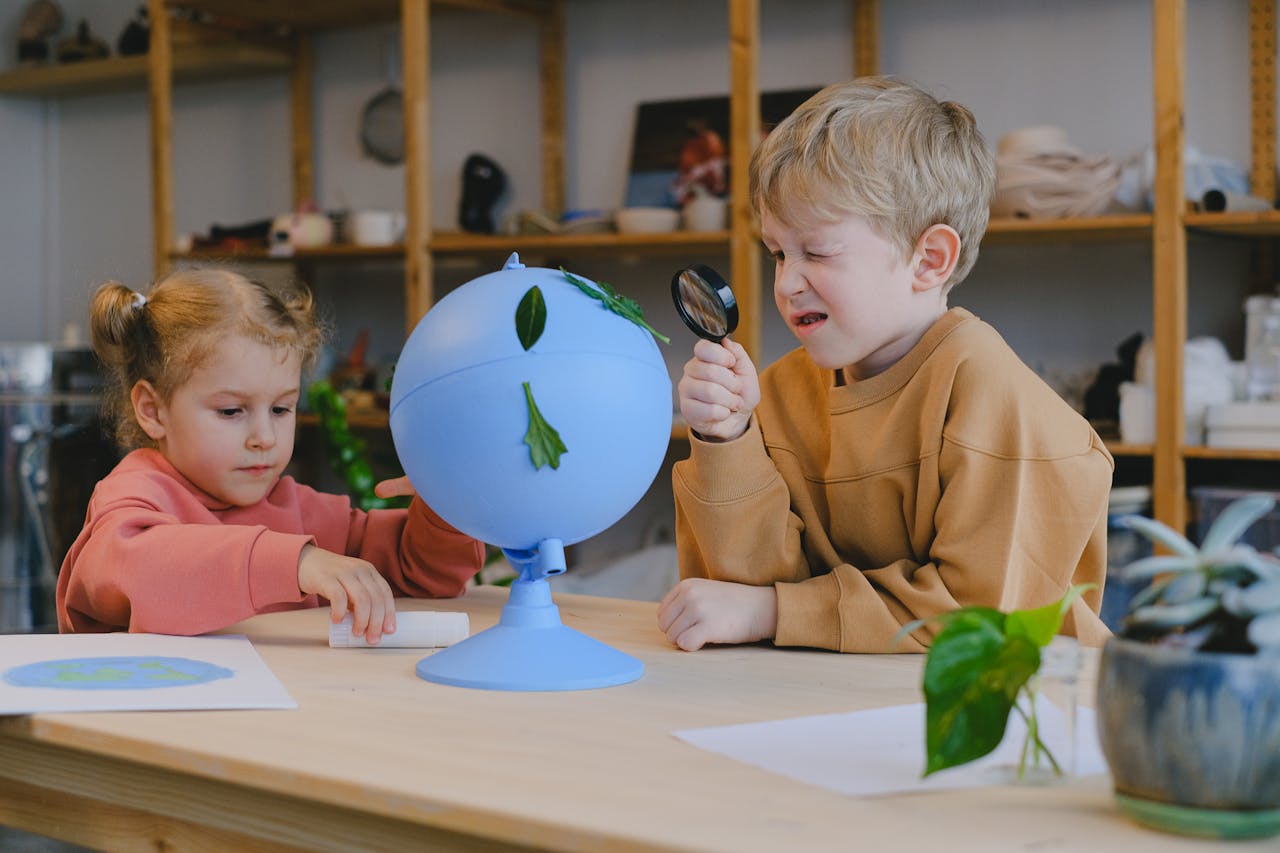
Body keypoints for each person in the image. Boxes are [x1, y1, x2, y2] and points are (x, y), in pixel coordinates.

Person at [657, 76, 1112, 653]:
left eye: (817, 251)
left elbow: (975, 622)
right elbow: (737, 598)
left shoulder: (1002, 408)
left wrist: (775, 610)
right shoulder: (774, 394)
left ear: (929, 260)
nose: (786, 282)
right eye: (777, 253)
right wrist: (728, 440)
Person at [58, 268, 484, 642]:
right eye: (231, 411)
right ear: (153, 410)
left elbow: (420, 574)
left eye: (281, 408)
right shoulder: (132, 500)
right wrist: (294, 562)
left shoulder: (299, 509)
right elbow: (143, 570)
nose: (264, 436)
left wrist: (443, 506)